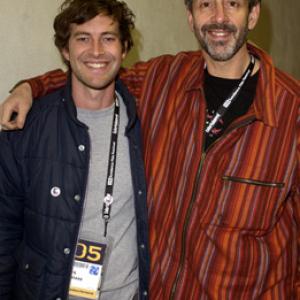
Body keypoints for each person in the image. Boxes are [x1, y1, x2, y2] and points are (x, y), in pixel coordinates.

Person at [1, 0, 300, 298]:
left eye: (232, 4)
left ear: (253, 15)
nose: (218, 17)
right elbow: (97, 76)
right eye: (206, 5)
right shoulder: (165, 79)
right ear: (190, 17)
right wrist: (30, 88)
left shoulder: (291, 112)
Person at [0, 0, 150, 299]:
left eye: (108, 38)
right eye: (83, 38)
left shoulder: (148, 120)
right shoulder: (27, 129)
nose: (96, 51)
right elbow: (3, 232)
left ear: (123, 48)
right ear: (65, 51)